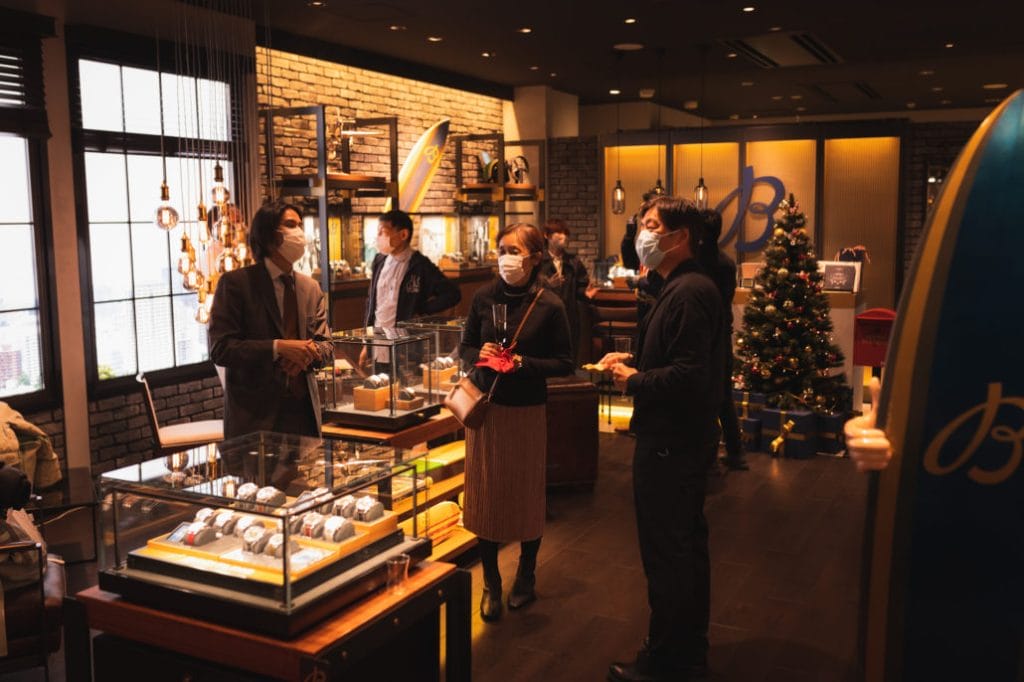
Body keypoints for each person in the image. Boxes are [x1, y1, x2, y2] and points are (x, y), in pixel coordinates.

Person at [601, 196, 725, 681]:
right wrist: (632, 363)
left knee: (669, 552)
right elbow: (676, 358)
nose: (642, 235)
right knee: (683, 548)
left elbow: (690, 375)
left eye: (652, 226)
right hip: (677, 438)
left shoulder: (690, 291)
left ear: (680, 237)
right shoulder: (681, 287)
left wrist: (634, 380)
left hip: (672, 441)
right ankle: (685, 651)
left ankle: (668, 659)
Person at [459, 222, 573, 622]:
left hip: (526, 410)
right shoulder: (483, 297)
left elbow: (565, 362)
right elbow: (465, 347)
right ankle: (490, 581)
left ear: (535, 257)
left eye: (514, 251)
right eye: (501, 250)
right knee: (486, 495)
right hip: (486, 411)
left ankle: (526, 575)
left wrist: (521, 363)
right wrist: (479, 354)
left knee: (527, 495)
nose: (506, 258)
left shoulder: (550, 304)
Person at [209, 202, 333, 439]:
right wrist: (278, 348)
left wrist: (307, 354)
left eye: (300, 225)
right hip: (254, 416)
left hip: (303, 412)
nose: (299, 233)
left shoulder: (310, 288)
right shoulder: (236, 284)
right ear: (268, 235)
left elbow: (326, 345)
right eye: (290, 225)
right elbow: (221, 349)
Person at [698, 209, 749, 471]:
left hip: (700, 335)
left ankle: (707, 457)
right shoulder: (726, 263)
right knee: (723, 395)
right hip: (722, 334)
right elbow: (726, 299)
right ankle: (735, 452)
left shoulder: (694, 262)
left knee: (701, 396)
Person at [364, 209, 460, 329]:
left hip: (404, 335)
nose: (378, 237)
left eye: (383, 232)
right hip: (377, 333)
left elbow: (452, 294)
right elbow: (371, 300)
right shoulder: (379, 260)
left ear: (403, 235)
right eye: (378, 232)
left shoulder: (419, 264)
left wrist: (421, 310)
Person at [537, 218, 595, 362]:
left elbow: (581, 286)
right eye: (559, 232)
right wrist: (548, 284)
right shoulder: (538, 261)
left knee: (569, 355)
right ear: (546, 235)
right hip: (544, 315)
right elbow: (531, 287)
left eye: (565, 233)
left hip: (569, 314)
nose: (564, 236)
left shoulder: (573, 261)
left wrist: (585, 294)